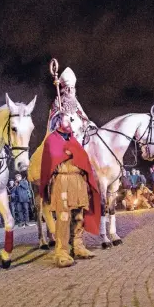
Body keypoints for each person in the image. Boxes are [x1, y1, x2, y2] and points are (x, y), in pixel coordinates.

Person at [40, 112, 101, 268]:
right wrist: (66, 153)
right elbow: (53, 156)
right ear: (59, 121)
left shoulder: (73, 139)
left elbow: (83, 158)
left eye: (70, 120)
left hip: (78, 180)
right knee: (64, 216)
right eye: (67, 119)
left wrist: (74, 153)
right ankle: (61, 252)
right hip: (63, 179)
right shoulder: (52, 139)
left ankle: (78, 246)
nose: (70, 122)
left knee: (79, 214)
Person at [48, 67, 97, 132]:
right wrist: (59, 113)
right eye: (67, 88)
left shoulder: (75, 101)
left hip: (79, 129)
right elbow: (52, 119)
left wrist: (86, 122)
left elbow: (82, 114)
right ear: (63, 90)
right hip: (65, 128)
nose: (70, 90)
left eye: (72, 88)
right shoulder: (58, 100)